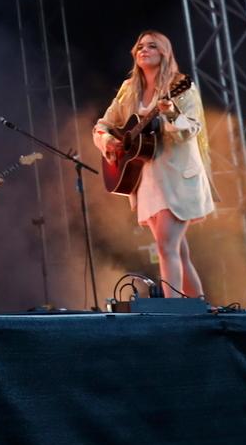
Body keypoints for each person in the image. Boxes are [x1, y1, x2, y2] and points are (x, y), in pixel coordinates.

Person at [92, 31, 215, 299]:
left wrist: (170, 112)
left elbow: (190, 129)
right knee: (178, 251)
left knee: (166, 246)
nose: (143, 50)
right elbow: (103, 124)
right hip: (146, 178)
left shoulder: (181, 86)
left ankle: (171, 313)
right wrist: (109, 142)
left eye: (151, 46)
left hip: (177, 176)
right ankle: (198, 309)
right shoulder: (129, 90)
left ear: (164, 53)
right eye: (139, 46)